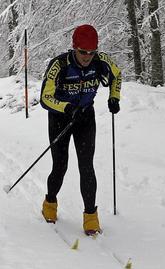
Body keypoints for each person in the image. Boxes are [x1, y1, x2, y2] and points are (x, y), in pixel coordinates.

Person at [39, 24, 121, 235]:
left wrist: (114, 97)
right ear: (74, 48)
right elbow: (45, 98)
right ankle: (50, 203)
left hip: (85, 117)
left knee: (87, 166)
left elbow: (117, 75)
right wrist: (66, 107)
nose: (87, 56)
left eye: (91, 52)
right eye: (83, 52)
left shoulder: (101, 61)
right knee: (60, 166)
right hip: (60, 118)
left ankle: (91, 218)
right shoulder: (59, 65)